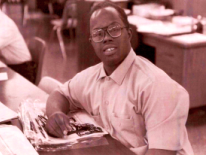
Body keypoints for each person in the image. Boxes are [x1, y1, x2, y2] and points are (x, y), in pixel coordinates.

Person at [45, 1, 194, 155]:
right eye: (98, 33)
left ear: (129, 34)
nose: (106, 38)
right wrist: (55, 113)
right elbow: (60, 94)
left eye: (114, 29)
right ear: (92, 42)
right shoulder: (91, 78)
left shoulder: (157, 86)